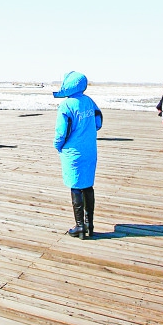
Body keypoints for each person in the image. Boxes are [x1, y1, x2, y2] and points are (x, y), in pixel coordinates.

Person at [53, 72, 102, 239]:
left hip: (73, 152)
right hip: (89, 150)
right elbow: (98, 122)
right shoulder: (89, 101)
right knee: (88, 185)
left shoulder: (66, 105)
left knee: (76, 186)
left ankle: (79, 226)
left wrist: (57, 145)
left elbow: (61, 132)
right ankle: (90, 224)